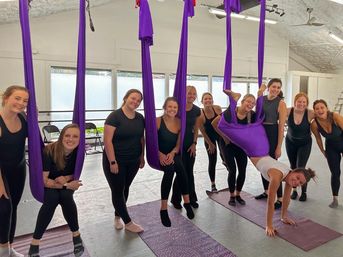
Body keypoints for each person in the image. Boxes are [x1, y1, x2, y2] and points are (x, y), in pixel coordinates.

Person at [220, 90, 316, 237]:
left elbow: (286, 200)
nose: (295, 182)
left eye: (299, 183)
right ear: (295, 171)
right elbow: (271, 204)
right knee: (224, 126)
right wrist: (269, 226)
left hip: (263, 146)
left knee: (254, 125)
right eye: (298, 178)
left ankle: (243, 101)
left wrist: (284, 216)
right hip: (255, 150)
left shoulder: (290, 176)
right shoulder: (277, 177)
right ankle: (234, 101)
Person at [28, 124, 84, 257]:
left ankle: (76, 236)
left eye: (75, 136)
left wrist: (66, 177)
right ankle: (35, 243)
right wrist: (66, 185)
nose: (71, 139)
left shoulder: (79, 153)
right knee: (52, 199)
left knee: (66, 197)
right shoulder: (49, 151)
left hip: (64, 183)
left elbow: (73, 173)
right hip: (49, 184)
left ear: (80, 139)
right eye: (67, 135)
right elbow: (45, 181)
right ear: (61, 136)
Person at [103, 89, 145, 233]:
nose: (135, 102)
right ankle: (128, 222)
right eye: (133, 98)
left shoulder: (140, 118)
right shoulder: (114, 116)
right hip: (116, 160)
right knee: (117, 190)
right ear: (126, 98)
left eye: (138, 100)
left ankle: (117, 216)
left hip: (133, 160)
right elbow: (107, 141)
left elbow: (141, 139)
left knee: (125, 188)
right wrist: (112, 162)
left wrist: (142, 157)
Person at [212, 92, 255, 206]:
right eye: (248, 101)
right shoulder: (231, 112)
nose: (250, 104)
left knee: (242, 170)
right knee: (232, 170)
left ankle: (238, 194)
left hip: (240, 145)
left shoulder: (251, 115)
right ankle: (231, 195)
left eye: (253, 103)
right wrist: (225, 137)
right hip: (227, 145)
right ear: (242, 102)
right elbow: (214, 123)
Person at [0, 85, 28, 257]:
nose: (21, 103)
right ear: (6, 98)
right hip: (1, 171)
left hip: (18, 168)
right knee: (4, 209)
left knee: (14, 208)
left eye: (25, 100)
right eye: (17, 98)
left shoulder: (23, 117)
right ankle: (3, 250)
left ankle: (9, 247)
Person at [157, 97, 195, 227]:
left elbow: (178, 144)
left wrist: (173, 153)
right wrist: (159, 154)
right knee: (169, 171)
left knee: (181, 169)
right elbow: (151, 141)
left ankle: (187, 203)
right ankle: (163, 209)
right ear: (165, 107)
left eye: (175, 107)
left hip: (173, 153)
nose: (172, 109)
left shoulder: (179, 122)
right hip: (159, 154)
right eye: (170, 107)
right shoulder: (157, 121)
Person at [255, 78, 287, 210]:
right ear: (268, 87)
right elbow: (258, 112)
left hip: (273, 132)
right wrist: (260, 91)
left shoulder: (281, 103)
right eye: (273, 86)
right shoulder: (261, 99)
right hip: (261, 132)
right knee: (263, 164)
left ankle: (279, 198)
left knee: (273, 167)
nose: (276, 89)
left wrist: (279, 146)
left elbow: (281, 127)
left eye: (278, 87)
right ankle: (267, 191)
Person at [171, 85, 202, 209]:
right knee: (180, 171)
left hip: (189, 143)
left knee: (189, 171)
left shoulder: (196, 110)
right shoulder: (177, 108)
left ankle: (191, 198)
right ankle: (176, 199)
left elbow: (196, 128)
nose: (192, 96)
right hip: (176, 143)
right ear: (184, 94)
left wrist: (194, 144)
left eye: (194, 94)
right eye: (189, 93)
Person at [311, 99, 343, 208]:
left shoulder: (335, 116)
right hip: (331, 148)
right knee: (335, 173)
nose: (320, 110)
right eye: (317, 108)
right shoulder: (314, 124)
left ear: (326, 108)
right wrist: (323, 151)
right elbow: (318, 139)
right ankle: (335, 199)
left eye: (322, 107)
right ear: (314, 111)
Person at [286, 93, 314, 202]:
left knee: (301, 167)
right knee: (293, 167)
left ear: (307, 104)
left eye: (304, 102)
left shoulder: (310, 113)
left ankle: (304, 192)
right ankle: (294, 190)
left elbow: (324, 116)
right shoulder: (289, 111)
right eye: (299, 101)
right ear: (295, 102)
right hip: (290, 142)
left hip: (305, 143)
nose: (301, 104)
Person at [200, 92, 222, 192]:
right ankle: (213, 184)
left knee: (226, 157)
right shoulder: (200, 113)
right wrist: (210, 144)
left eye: (210, 98)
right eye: (206, 99)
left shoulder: (217, 108)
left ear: (212, 100)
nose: (208, 100)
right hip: (208, 138)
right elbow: (202, 131)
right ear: (202, 101)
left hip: (220, 135)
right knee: (212, 160)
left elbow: (222, 123)